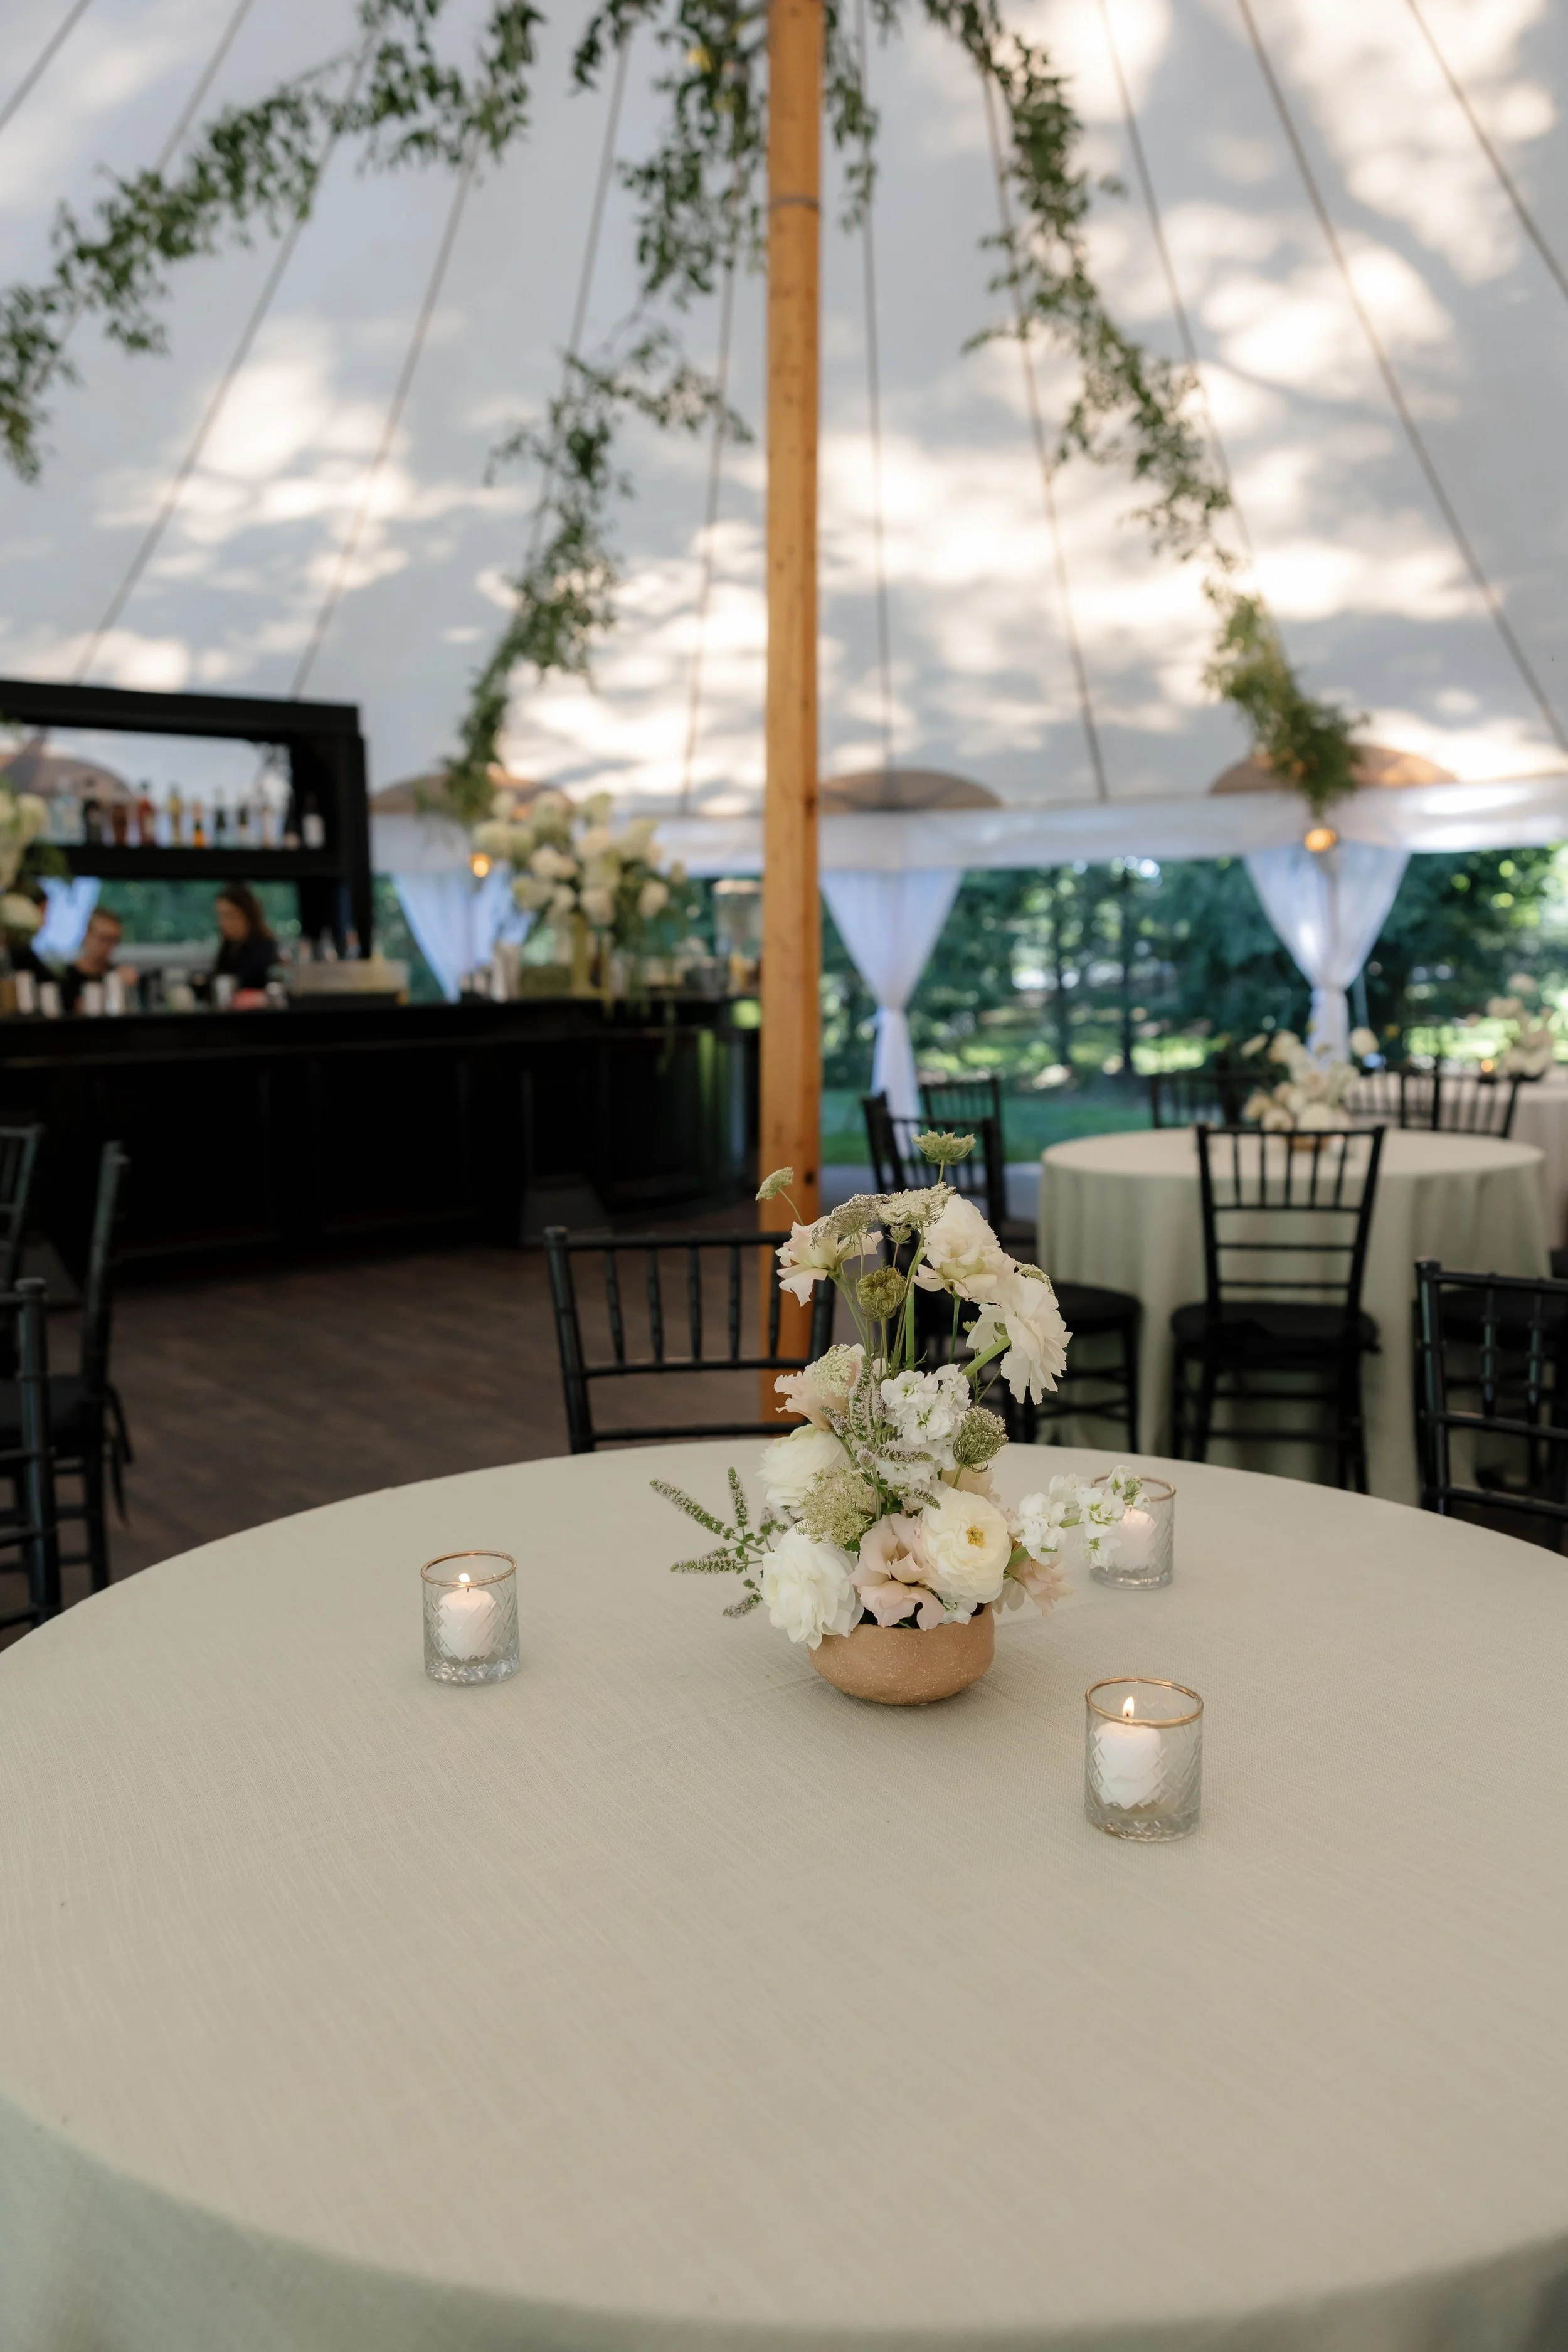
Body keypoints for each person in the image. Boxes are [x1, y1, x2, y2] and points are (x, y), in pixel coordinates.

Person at [213, 884, 279, 997]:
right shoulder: (229, 947)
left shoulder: (264, 948)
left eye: (229, 915)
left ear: (247, 915)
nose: (222, 923)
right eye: (220, 916)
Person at [58, 905, 125, 1012]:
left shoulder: (118, 977)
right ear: (87, 935)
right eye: (104, 938)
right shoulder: (65, 979)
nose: (109, 946)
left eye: (114, 940)